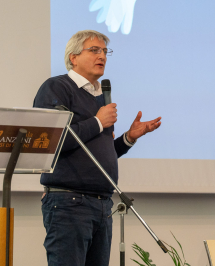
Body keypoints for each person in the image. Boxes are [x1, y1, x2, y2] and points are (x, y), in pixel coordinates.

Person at [34, 30, 161, 266]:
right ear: (73, 57)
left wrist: (129, 138)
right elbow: (52, 140)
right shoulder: (57, 87)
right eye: (94, 50)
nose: (101, 56)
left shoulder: (99, 97)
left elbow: (96, 154)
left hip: (103, 204)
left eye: (104, 51)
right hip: (69, 203)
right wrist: (98, 121)